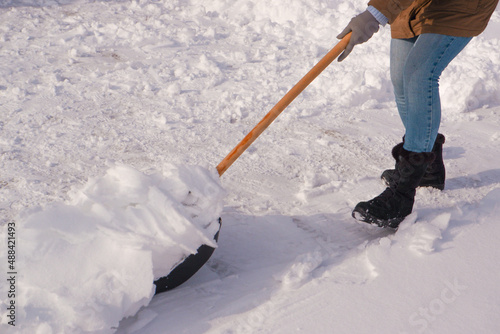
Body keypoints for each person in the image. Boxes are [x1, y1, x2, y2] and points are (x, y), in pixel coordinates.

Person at [337, 0, 499, 228]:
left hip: (459, 5)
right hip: (413, 6)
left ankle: (402, 195)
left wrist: (375, 13)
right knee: (401, 80)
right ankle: (428, 169)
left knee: (419, 75)